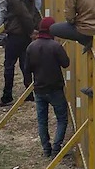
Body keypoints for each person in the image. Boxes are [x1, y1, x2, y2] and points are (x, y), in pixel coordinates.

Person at [26, 17, 70, 158]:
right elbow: (66, 63)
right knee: (62, 118)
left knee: (42, 120)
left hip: (39, 88)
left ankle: (46, 148)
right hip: (55, 88)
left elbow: (27, 69)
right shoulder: (55, 46)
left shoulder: (31, 47)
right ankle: (57, 148)